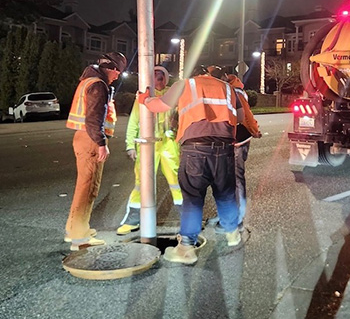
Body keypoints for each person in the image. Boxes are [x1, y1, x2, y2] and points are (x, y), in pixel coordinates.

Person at [138, 64, 261, 264]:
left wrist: (144, 99)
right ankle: (232, 234)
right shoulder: (228, 88)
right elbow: (239, 117)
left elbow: (159, 106)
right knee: (225, 193)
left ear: (192, 73)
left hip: (195, 149)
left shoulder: (185, 84)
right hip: (225, 149)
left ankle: (186, 247)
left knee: (193, 198)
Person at [64, 51, 127, 251]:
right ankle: (79, 239)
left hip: (83, 138)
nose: (117, 76)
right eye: (117, 71)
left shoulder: (88, 81)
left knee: (83, 186)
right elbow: (94, 119)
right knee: (88, 188)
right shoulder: (98, 86)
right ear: (110, 68)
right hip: (91, 140)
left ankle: (74, 229)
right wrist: (101, 143)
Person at [117, 65, 182, 234]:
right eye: (154, 77)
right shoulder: (143, 97)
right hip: (147, 145)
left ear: (166, 79)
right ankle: (133, 219)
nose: (157, 80)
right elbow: (133, 122)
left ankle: (186, 218)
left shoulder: (173, 95)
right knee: (141, 182)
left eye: (161, 77)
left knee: (176, 181)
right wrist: (130, 145)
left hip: (169, 143)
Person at [208, 70, 259, 231]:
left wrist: (254, 129)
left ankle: (238, 216)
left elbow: (245, 115)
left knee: (235, 178)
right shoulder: (223, 89)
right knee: (223, 179)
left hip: (238, 139)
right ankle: (227, 215)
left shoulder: (234, 91)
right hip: (226, 139)